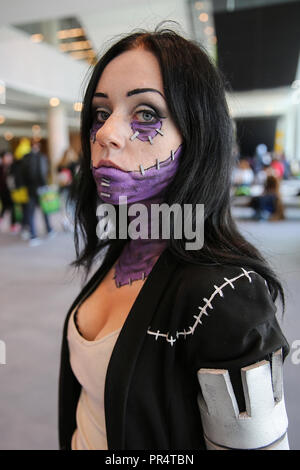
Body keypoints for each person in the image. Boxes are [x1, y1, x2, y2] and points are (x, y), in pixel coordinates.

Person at [58, 27, 290, 451]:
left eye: (146, 114)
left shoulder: (228, 294)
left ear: (198, 134)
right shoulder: (126, 247)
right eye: (100, 112)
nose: (107, 133)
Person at [21, 140, 54, 245]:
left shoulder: (25, 158)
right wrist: (45, 185)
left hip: (29, 189)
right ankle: (49, 230)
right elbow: (42, 172)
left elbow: (22, 175)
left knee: (30, 213)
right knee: (45, 209)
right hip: (40, 188)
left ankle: (33, 236)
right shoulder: (40, 157)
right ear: (37, 146)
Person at [0, 150, 19, 232]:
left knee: (13, 207)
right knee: (5, 206)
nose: (9, 158)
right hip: (3, 190)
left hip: (12, 191)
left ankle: (13, 224)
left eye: (10, 156)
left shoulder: (14, 166)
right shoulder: (1, 167)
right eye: (7, 156)